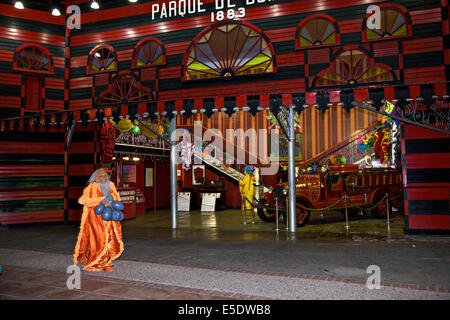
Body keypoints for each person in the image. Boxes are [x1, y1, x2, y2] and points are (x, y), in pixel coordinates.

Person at [73, 168, 124, 272]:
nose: (104, 178)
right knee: (99, 239)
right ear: (95, 178)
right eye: (101, 176)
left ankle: (106, 259)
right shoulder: (91, 187)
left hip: (109, 220)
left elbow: (117, 198)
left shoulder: (111, 185)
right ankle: (100, 262)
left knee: (109, 238)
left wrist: (112, 200)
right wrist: (101, 200)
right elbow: (83, 200)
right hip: (95, 220)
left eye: (105, 176)